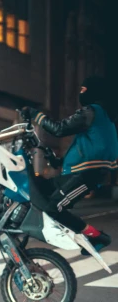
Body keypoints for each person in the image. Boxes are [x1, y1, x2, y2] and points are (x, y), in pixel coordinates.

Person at [22, 76, 117, 253]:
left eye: (83, 90)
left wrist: (36, 114)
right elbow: (85, 149)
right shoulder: (102, 118)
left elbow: (59, 129)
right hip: (80, 172)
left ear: (93, 93)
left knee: (53, 208)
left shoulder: (91, 112)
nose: (80, 94)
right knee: (40, 188)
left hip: (86, 174)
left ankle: (98, 236)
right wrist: (57, 161)